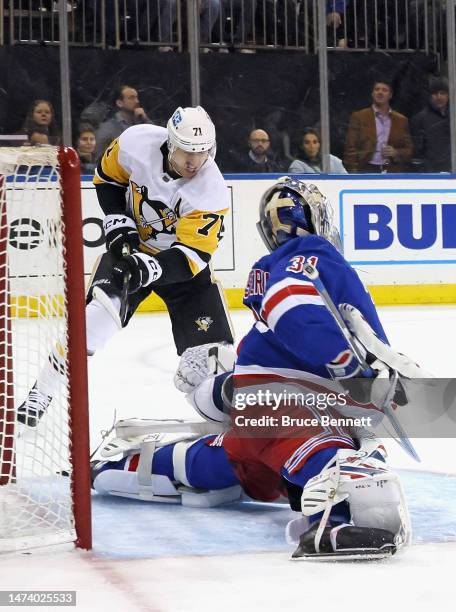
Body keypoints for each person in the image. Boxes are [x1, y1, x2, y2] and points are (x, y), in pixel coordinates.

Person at [91, 176, 425, 559]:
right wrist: (350, 365)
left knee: (227, 464)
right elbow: (291, 307)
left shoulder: (276, 265)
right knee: (356, 462)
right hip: (290, 407)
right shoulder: (313, 250)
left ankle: (122, 463)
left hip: (263, 415)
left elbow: (282, 324)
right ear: (313, 217)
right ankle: (333, 520)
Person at [17, 106, 234, 426]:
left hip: (182, 271)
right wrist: (119, 225)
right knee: (92, 322)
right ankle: (42, 392)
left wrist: (147, 268)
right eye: (187, 152)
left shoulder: (211, 189)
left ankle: (226, 426)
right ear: (171, 144)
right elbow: (107, 180)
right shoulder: (136, 142)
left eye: (201, 153)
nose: (193, 162)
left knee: (214, 362)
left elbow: (191, 258)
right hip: (130, 253)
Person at [343, 79, 413, 173]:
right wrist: (353, 171)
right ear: (372, 94)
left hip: (392, 171)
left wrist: (396, 153)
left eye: (384, 90)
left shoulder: (401, 120)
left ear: (390, 95)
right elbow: (350, 147)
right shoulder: (359, 117)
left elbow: (409, 150)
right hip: (365, 169)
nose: (380, 92)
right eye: (377, 89)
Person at [94, 85, 153, 158]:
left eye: (137, 97)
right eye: (131, 98)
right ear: (119, 103)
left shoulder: (142, 124)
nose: (137, 101)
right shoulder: (108, 128)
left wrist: (145, 120)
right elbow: (98, 155)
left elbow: (159, 141)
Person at [410, 77, 452, 173]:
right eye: (435, 93)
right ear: (429, 96)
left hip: (455, 171)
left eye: (443, 93)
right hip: (430, 174)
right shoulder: (419, 119)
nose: (439, 97)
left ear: (449, 95)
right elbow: (417, 152)